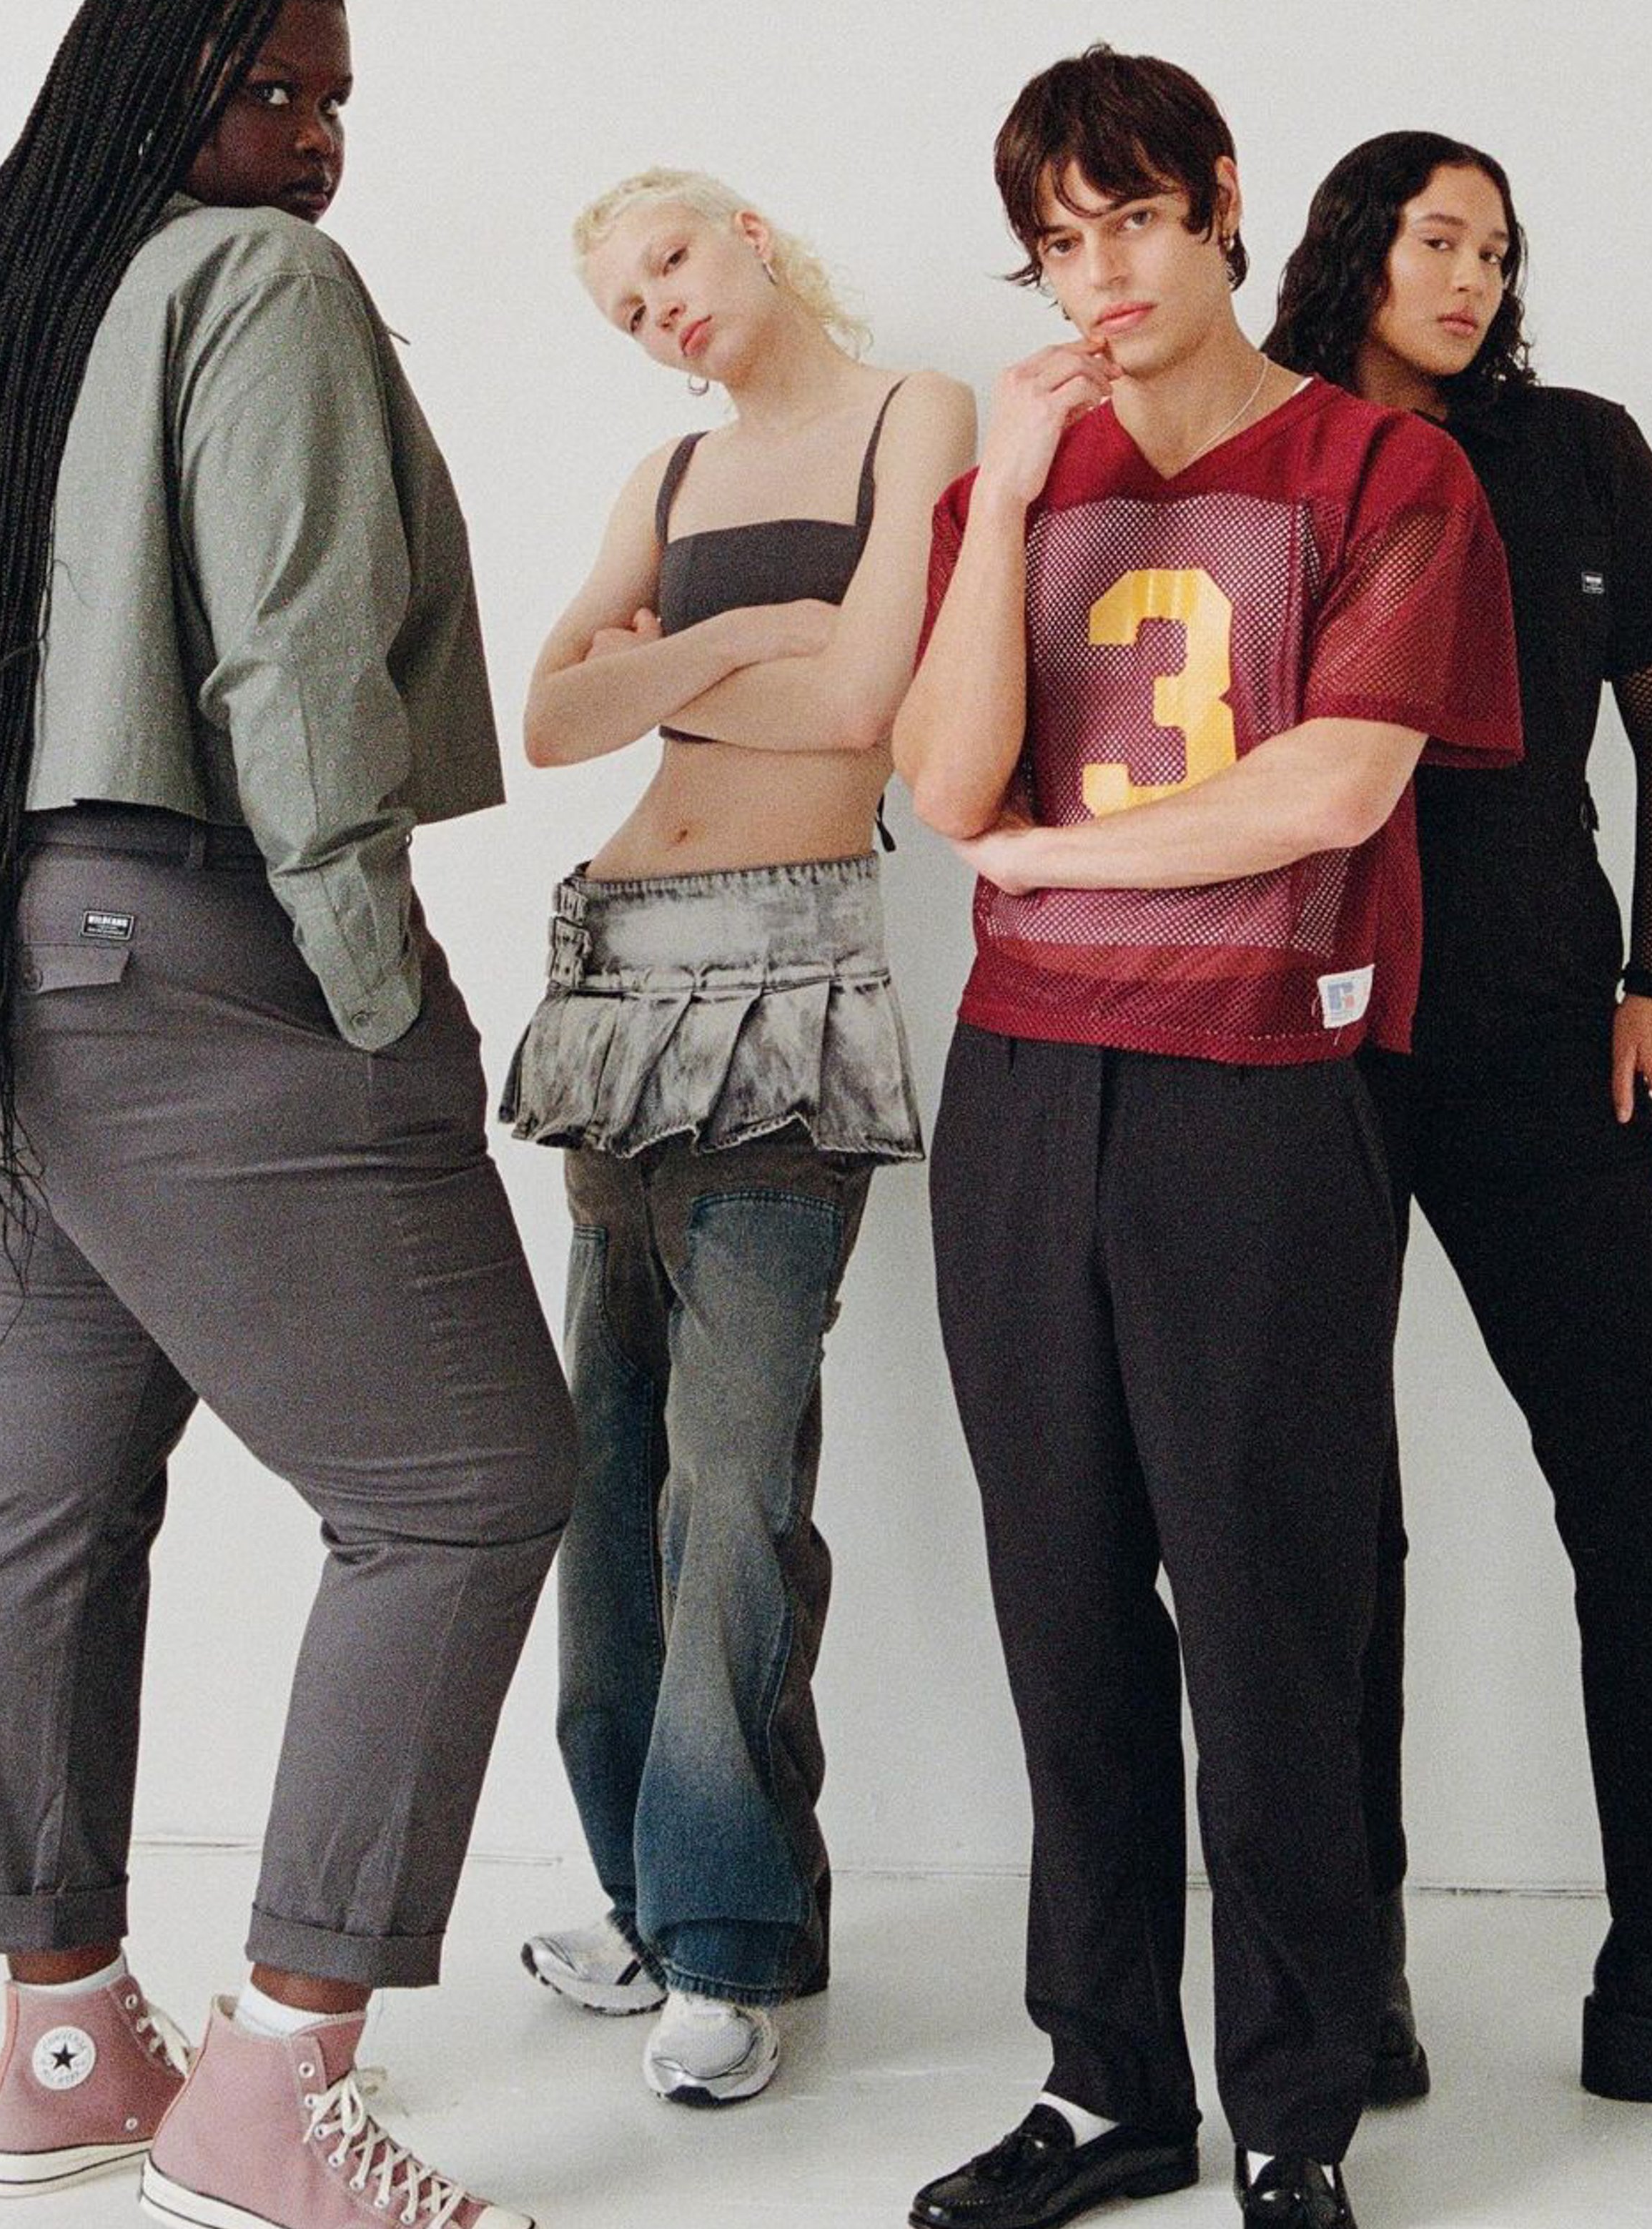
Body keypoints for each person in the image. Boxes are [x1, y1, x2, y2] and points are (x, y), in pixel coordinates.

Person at [894, 46, 1520, 2229]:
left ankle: (1293, 2108)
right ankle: (1104, 2087)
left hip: (1263, 1087)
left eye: (1137, 217)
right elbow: (940, 786)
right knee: (1061, 1604)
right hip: (1021, 1091)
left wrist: (1050, 858)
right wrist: (1003, 489)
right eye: (1059, 240)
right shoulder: (1018, 483)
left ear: (1222, 202)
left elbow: (1332, 786)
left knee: (1270, 1613)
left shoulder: (1378, 465)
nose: (1104, 272)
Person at [0, 4, 575, 2223]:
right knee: (467, 1485)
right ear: (162, 82)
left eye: (336, 103)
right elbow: (297, 661)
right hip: (210, 941)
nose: (315, 141)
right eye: (275, 90)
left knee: (41, 1500)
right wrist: (374, 986)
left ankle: (55, 2038)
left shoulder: (28, 299)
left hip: (28, 958)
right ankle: (271, 2091)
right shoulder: (257, 278)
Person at [1268, 132, 1652, 2116]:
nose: (1472, 277)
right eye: (1436, 240)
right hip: (1297, 1025)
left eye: (1496, 249)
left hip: (1540, 1020)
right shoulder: (1267, 447)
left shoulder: (1573, 451)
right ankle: (1347, 1975)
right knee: (1326, 1508)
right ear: (1353, 248)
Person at [503, 167, 973, 2109]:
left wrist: (673, 670)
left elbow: (867, 701)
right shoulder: (670, 479)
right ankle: (640, 1897)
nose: (661, 315)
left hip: (788, 974)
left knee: (730, 1474)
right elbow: (550, 720)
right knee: (604, 1465)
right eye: (626, 309)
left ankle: (728, 1935)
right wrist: (746, 634)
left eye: (672, 265)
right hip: (612, 974)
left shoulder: (913, 414)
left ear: (751, 237)